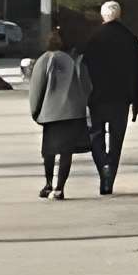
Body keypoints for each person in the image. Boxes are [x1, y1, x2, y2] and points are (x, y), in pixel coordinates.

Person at [83, 0, 138, 194]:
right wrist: (137, 101)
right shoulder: (130, 39)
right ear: (119, 15)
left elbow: (84, 70)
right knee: (116, 140)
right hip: (121, 99)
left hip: (97, 98)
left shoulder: (93, 39)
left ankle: (103, 167)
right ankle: (108, 180)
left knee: (96, 136)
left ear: (103, 16)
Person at [27, 26, 92, 201]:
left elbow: (36, 89)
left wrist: (35, 111)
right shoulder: (71, 60)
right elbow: (84, 85)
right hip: (72, 112)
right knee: (66, 152)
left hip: (51, 113)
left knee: (49, 151)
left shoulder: (43, 60)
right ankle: (60, 188)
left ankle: (48, 183)